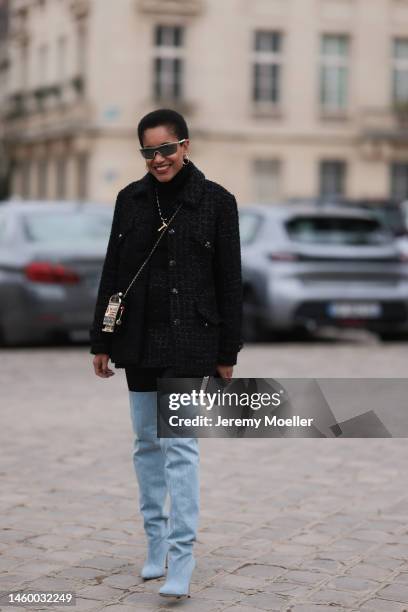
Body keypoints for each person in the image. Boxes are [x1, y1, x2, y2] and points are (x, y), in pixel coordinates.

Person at [90, 108, 243, 599]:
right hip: (137, 340)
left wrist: (227, 351)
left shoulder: (217, 203)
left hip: (191, 342)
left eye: (166, 149)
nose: (158, 159)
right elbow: (114, 273)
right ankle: (154, 546)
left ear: (185, 146)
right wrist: (102, 340)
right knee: (145, 445)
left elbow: (230, 283)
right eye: (149, 151)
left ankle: (182, 557)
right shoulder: (130, 200)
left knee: (180, 447)